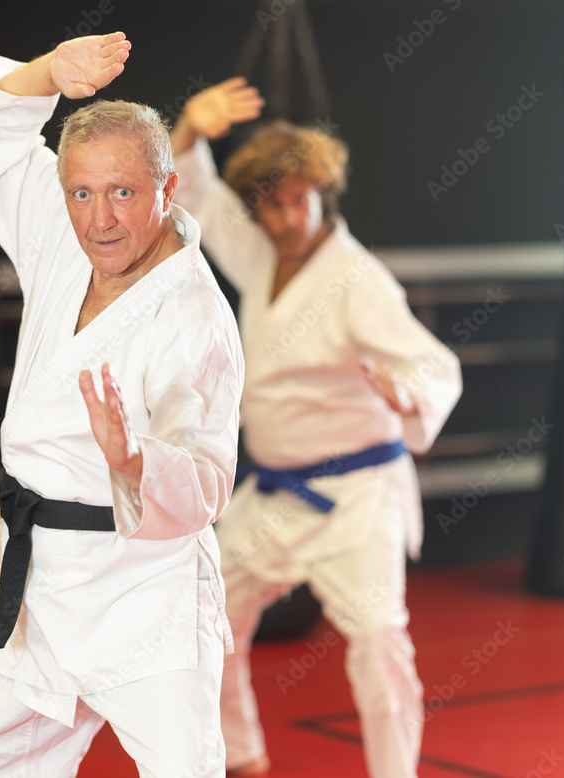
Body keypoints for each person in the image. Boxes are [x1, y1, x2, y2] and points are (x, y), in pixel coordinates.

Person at [0, 33, 244, 777]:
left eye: (123, 192)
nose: (100, 219)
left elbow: (206, 482)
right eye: (82, 193)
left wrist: (134, 458)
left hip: (140, 592)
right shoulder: (65, 241)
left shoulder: (195, 317)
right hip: (35, 581)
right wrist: (48, 73)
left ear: (167, 189)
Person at [169, 80, 463, 778]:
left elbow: (437, 364)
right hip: (275, 494)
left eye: (300, 200)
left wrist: (408, 391)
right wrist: (190, 130)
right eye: (272, 204)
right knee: (205, 612)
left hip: (357, 496)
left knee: (379, 640)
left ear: (323, 195)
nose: (288, 217)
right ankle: (241, 756)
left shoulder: (357, 279)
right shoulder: (262, 254)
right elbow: (198, 196)